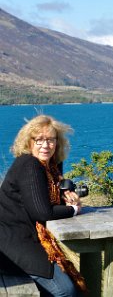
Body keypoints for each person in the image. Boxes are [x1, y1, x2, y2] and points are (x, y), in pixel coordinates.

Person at [0, 115, 86, 296]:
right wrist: (74, 210)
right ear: (28, 142)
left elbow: (43, 199)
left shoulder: (50, 166)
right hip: (13, 244)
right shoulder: (29, 164)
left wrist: (67, 199)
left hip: (28, 238)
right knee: (66, 291)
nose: (45, 145)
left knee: (71, 286)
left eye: (50, 140)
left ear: (57, 142)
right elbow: (43, 213)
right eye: (38, 139)